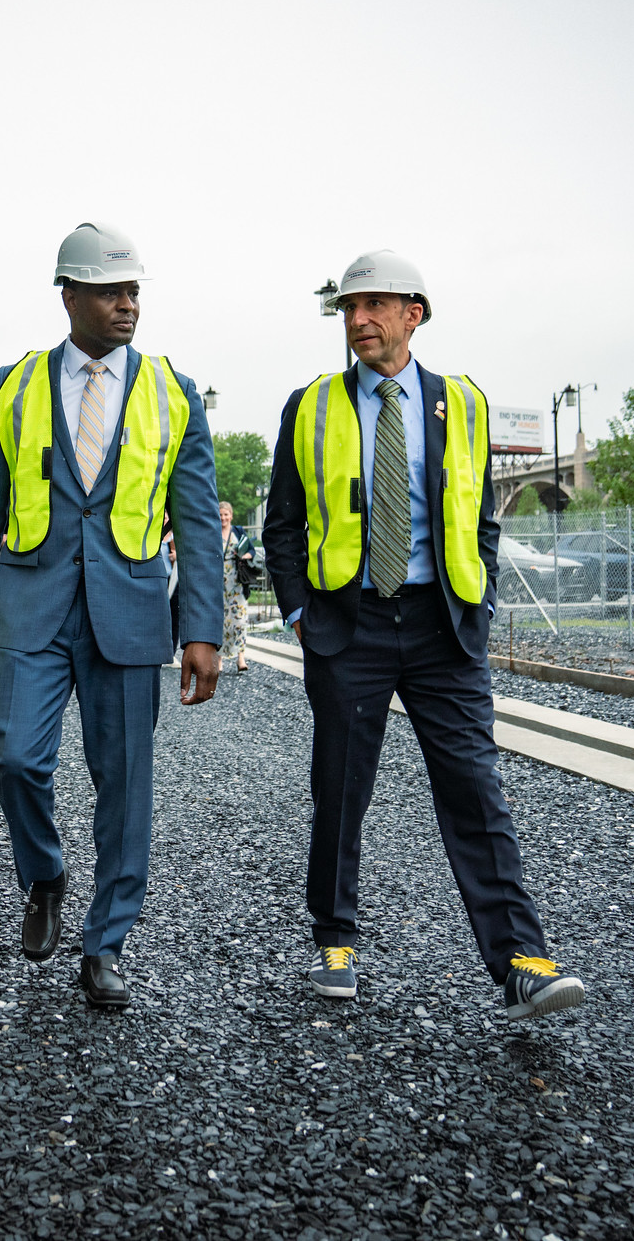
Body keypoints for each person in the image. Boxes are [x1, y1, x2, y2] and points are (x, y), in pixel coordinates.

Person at [262, 249, 584, 1019]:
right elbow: (282, 523)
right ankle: (335, 939)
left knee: (476, 787)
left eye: (375, 306)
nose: (359, 320)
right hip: (350, 626)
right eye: (348, 308)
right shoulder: (310, 406)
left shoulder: (462, 405)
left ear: (415, 313)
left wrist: (482, 600)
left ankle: (521, 962)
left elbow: (480, 519)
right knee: (341, 791)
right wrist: (300, 612)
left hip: (444, 627)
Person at [0, 221, 222, 1010]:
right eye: (109, 291)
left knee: (124, 787)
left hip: (131, 616)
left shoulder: (173, 392)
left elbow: (198, 523)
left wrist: (201, 630)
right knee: (16, 761)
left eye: (134, 291)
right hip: (30, 609)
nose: (126, 305)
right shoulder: (15, 385)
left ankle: (106, 944)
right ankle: (45, 877)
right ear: (68, 295)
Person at [220, 501, 256, 674]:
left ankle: (240, 657)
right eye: (220, 515)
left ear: (231, 515)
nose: (223, 518)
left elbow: (251, 550)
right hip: (219, 583)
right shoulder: (213, 532)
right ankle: (219, 659)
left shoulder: (238, 531)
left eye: (226, 514)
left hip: (237, 581)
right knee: (220, 620)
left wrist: (243, 556)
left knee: (240, 620)